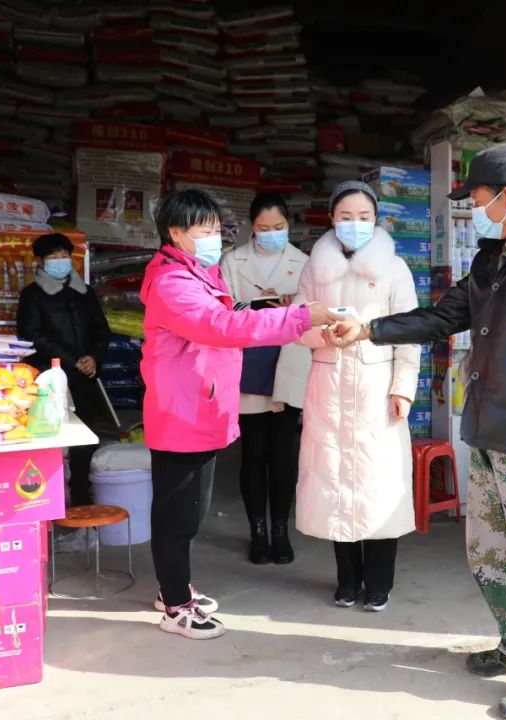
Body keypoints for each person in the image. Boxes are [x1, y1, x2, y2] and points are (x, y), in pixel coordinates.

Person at [329, 145, 506, 720]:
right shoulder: (495, 259)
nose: (473, 210)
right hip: (488, 427)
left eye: (479, 199)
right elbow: (443, 316)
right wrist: (368, 329)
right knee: (487, 553)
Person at [140, 188, 339, 640]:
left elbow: (224, 316)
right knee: (180, 514)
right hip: (183, 411)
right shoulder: (173, 283)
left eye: (216, 229)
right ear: (176, 233)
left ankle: (173, 587)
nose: (214, 238)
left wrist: (273, 311)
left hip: (197, 405)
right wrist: (298, 318)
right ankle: (176, 607)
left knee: (187, 510)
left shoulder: (195, 272)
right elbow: (220, 326)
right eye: (204, 230)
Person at [292, 180, 419, 614]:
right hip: (328, 385)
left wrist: (403, 388)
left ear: (376, 219)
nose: (355, 224)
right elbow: (296, 323)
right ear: (332, 219)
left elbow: (409, 333)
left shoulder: (395, 269)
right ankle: (347, 579)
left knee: (377, 485)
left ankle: (379, 583)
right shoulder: (315, 269)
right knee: (334, 484)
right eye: (346, 217)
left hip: (376, 388)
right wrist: (322, 335)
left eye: (364, 217)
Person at [221, 193, 311, 565]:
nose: (272, 233)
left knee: (284, 455)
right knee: (254, 454)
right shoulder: (233, 261)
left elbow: (314, 311)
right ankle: (257, 531)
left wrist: (294, 306)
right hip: (249, 364)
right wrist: (257, 307)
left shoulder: (304, 262)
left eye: (279, 227)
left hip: (288, 364)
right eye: (263, 228)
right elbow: (221, 307)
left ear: (289, 224)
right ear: (251, 226)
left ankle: (280, 530)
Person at [17, 232, 110, 507]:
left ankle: (81, 495)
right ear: (40, 261)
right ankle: (48, 497)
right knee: (49, 435)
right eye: (53, 256)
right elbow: (32, 335)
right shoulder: (32, 295)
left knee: (85, 437)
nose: (60, 260)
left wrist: (94, 358)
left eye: (64, 255)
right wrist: (72, 360)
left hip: (84, 377)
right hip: (49, 377)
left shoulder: (85, 292)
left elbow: (101, 329)